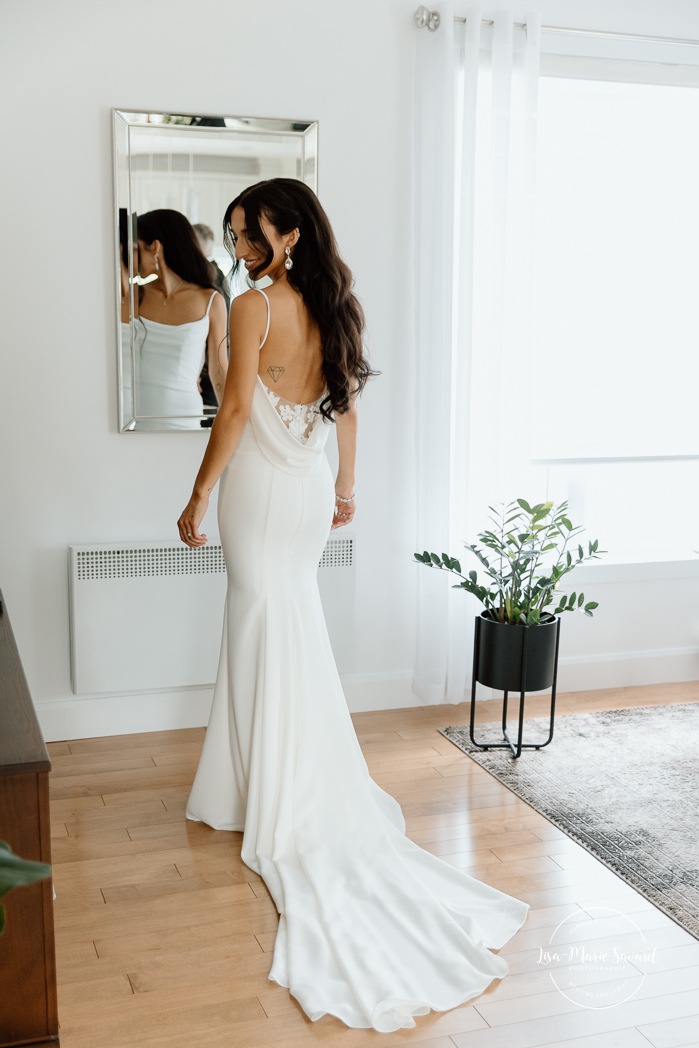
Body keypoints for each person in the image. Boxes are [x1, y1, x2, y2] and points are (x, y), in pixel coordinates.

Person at [177, 179, 528, 1032]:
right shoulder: (336, 306)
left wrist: (196, 496)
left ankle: (273, 796)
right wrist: (345, 487)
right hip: (302, 494)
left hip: (259, 490)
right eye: (233, 234)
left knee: (264, 627)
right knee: (279, 625)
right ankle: (249, 786)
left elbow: (231, 413)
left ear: (290, 233)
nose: (241, 246)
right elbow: (345, 407)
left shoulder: (256, 306)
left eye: (251, 232)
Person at [135, 210, 227, 429]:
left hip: (185, 419)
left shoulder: (211, 300)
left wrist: (233, 426)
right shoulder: (134, 297)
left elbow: (219, 370)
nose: (131, 255)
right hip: (136, 419)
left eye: (136, 248)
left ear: (155, 247)